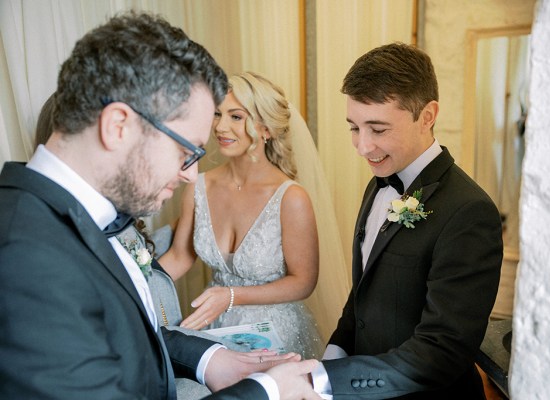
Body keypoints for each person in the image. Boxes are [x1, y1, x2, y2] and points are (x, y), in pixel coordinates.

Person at [0, 11, 319, 400]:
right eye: (185, 150)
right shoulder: (26, 255)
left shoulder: (81, 219)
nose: (190, 175)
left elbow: (130, 333)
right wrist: (265, 391)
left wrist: (211, 359)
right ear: (118, 126)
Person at [309, 42, 504, 399]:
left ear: (427, 116)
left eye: (378, 129)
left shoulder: (469, 212)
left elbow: (442, 350)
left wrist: (331, 382)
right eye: (354, 127)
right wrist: (333, 358)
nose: (363, 147)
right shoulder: (377, 184)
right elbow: (364, 293)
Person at [160, 71, 324, 360]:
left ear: (266, 129)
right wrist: (129, 284)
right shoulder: (199, 186)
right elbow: (179, 257)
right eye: (218, 114)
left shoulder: (291, 198)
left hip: (276, 333)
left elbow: (303, 282)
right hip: (214, 326)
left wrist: (232, 297)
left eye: (236, 117)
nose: (221, 127)